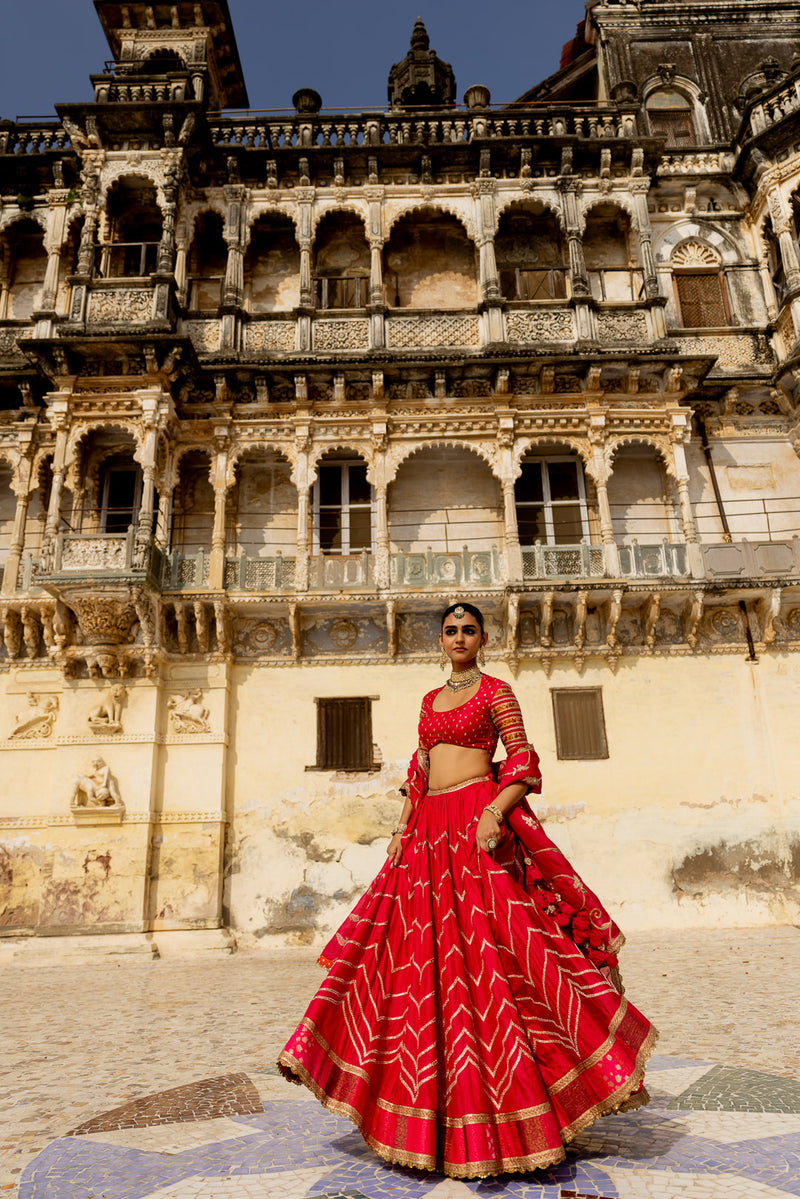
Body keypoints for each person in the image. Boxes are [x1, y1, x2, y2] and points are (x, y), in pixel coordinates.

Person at [279, 601, 657, 1179]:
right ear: (441, 638)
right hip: (428, 835)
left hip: (475, 826)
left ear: (483, 637)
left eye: (469, 630)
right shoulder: (430, 701)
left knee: (501, 957)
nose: (459, 637)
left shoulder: (498, 690)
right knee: (415, 967)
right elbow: (420, 765)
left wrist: (496, 810)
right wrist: (403, 829)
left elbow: (524, 757)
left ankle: (527, 1107)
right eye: (451, 630)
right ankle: (423, 1119)